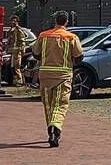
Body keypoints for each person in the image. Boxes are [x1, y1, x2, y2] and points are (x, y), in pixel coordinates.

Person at [32, 12, 83, 147]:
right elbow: (79, 57)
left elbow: (35, 54)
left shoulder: (43, 36)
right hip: (63, 76)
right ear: (66, 22)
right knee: (60, 104)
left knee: (48, 105)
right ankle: (55, 129)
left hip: (45, 76)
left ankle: (51, 130)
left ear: (55, 21)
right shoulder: (71, 37)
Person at [7, 15, 26, 88]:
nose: (13, 22)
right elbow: (10, 40)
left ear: (17, 21)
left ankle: (20, 81)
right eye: (12, 21)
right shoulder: (11, 30)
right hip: (12, 51)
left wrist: (21, 50)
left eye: (14, 21)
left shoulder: (19, 30)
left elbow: (22, 41)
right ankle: (15, 81)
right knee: (12, 67)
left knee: (16, 66)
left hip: (17, 51)